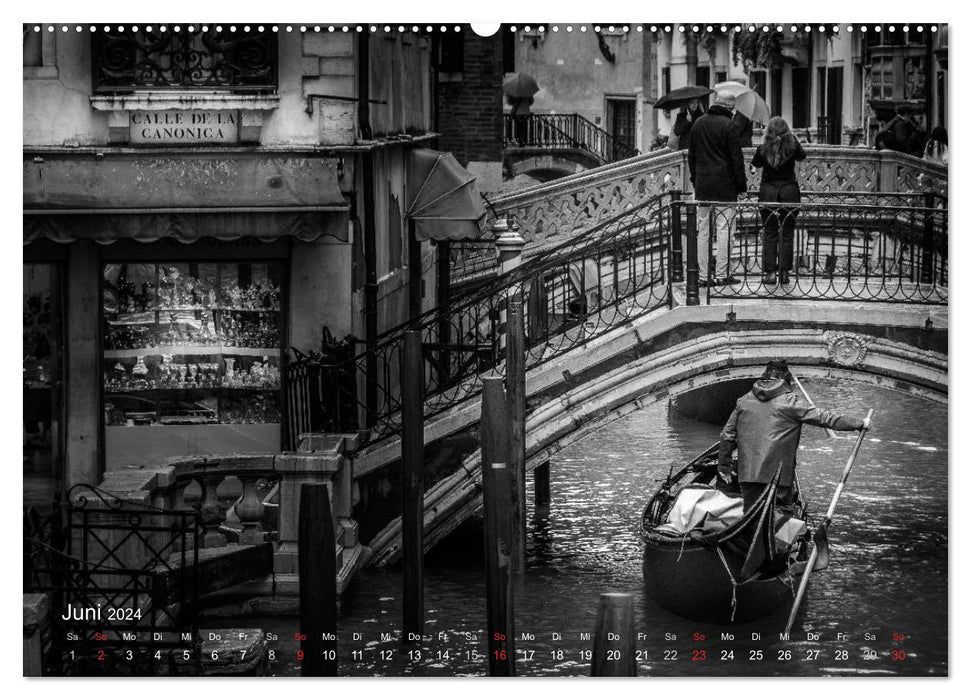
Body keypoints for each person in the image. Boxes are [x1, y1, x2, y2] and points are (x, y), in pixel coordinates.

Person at [717, 359, 872, 514]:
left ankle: (752, 534)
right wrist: (859, 423)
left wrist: (724, 467)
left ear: (765, 375)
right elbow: (825, 418)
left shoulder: (743, 401)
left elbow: (727, 435)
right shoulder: (790, 402)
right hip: (778, 477)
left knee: (751, 513)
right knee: (781, 518)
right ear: (786, 378)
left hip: (748, 475)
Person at [687, 90, 747, 285]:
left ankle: (703, 277)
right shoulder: (730, 126)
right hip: (725, 186)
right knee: (724, 230)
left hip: (703, 185)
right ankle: (722, 275)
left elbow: (692, 158)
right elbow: (736, 160)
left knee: (703, 231)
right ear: (730, 107)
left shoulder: (698, 124)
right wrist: (742, 186)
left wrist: (696, 181)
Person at [752, 117, 807, 286]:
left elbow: (755, 163)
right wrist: (794, 140)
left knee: (769, 232)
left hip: (768, 193)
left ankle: (770, 274)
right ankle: (784, 273)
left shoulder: (763, 148)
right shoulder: (792, 146)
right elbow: (802, 156)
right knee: (788, 233)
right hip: (789, 192)